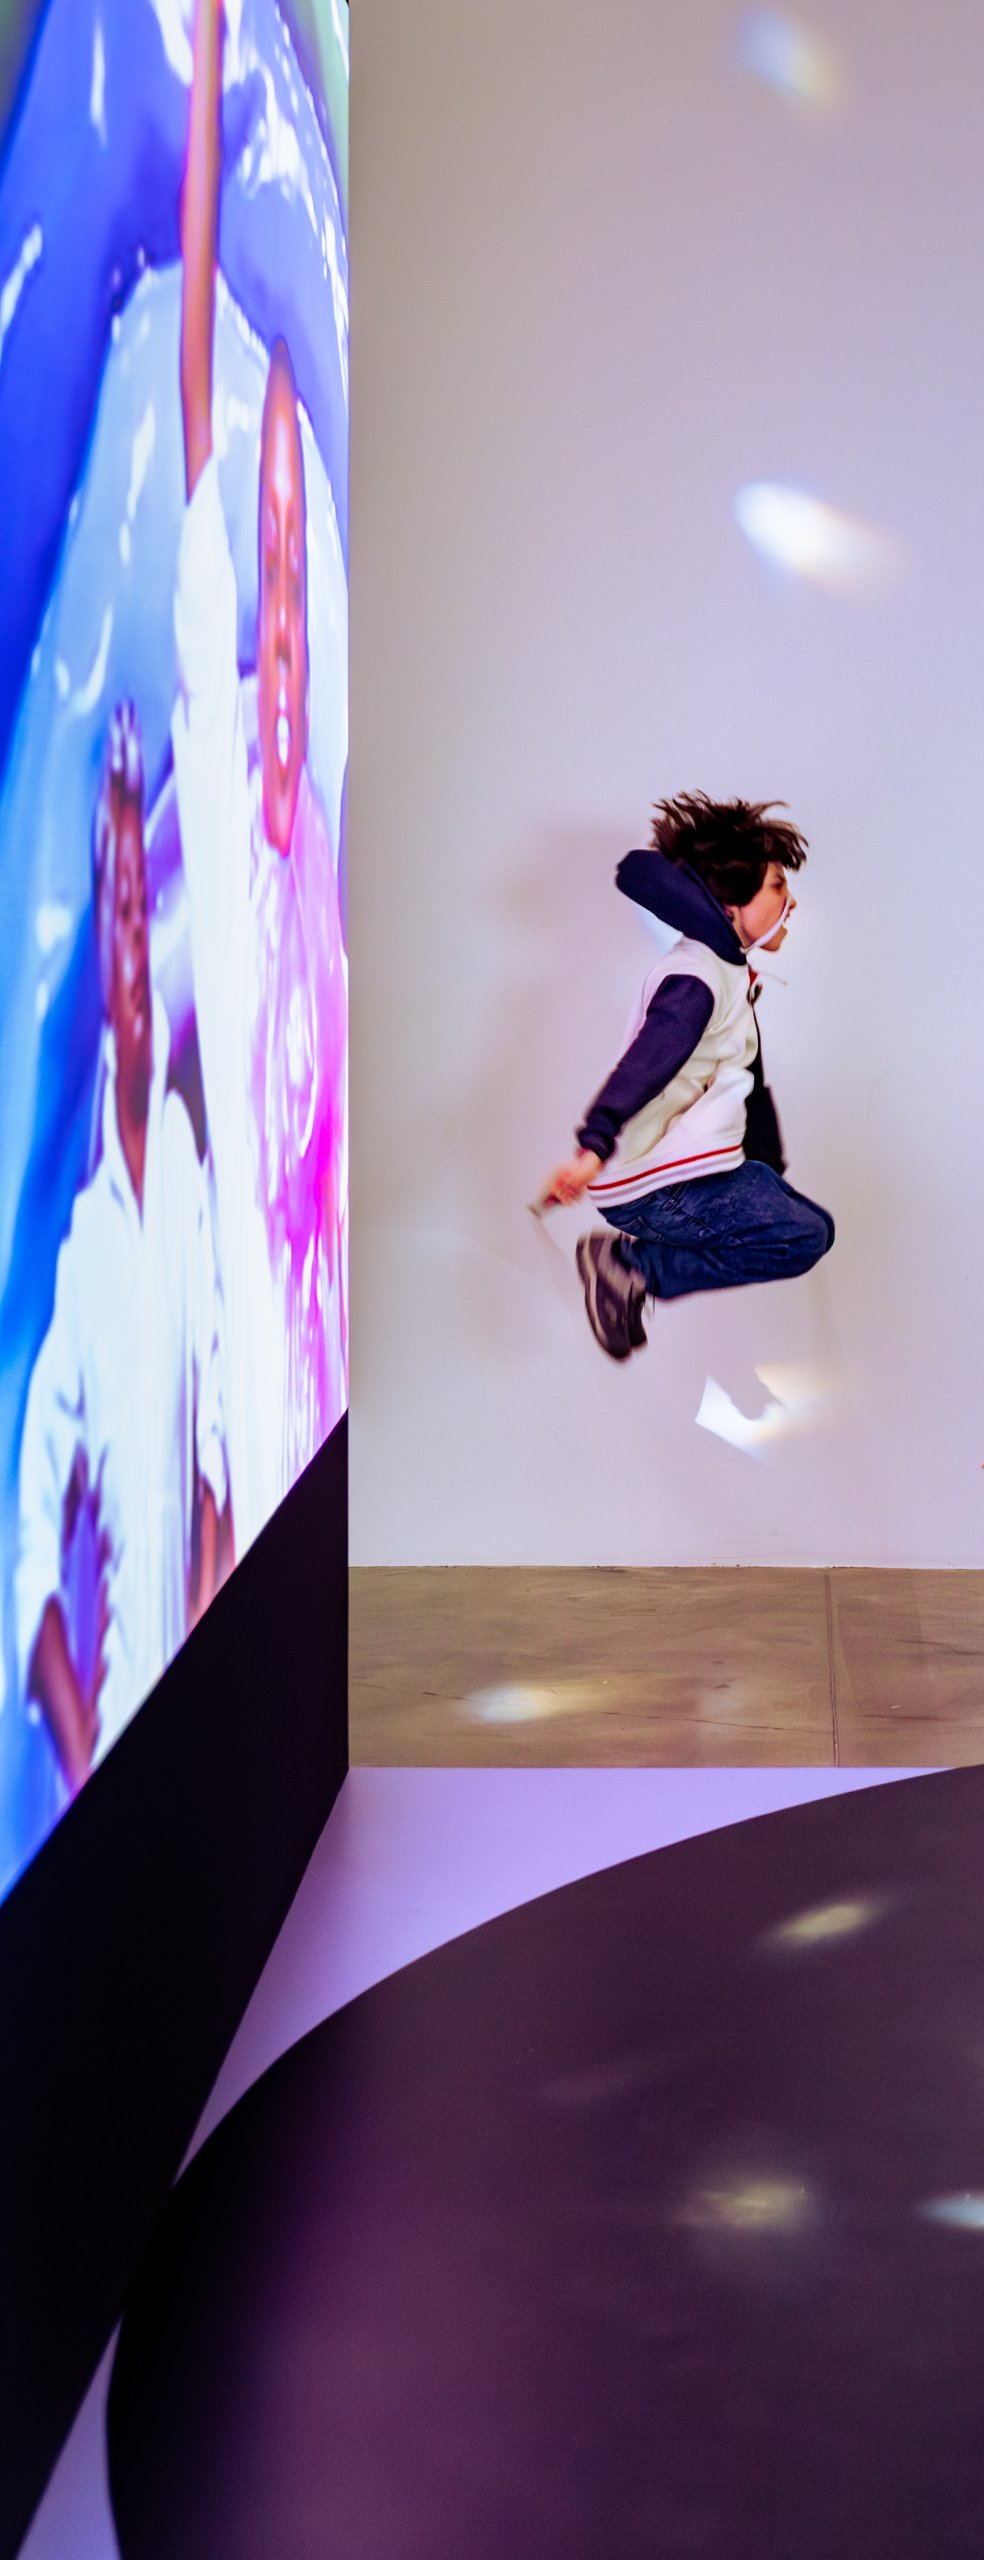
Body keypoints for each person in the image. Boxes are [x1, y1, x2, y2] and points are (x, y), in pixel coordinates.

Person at [172, 0, 347, 1550]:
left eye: (295, 558)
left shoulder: (317, 877)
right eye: (267, 552)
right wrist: (214, 76)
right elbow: (197, 430)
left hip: (293, 1392)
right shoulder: (229, 796)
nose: (280, 601)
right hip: (238, 1403)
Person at [15, 704, 230, 1793]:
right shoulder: (81, 1252)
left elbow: (221, 1453)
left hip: (209, 1699)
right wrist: (85, 1748)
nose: (137, 939)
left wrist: (213, 1624)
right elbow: (30, 1564)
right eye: (121, 909)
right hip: (131, 1733)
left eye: (147, 906)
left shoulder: (193, 1172)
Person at [538, 793, 835, 1360]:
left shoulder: (726, 970)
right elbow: (648, 1061)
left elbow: (750, 1079)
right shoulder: (697, 977)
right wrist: (594, 1146)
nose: (791, 900)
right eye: (777, 886)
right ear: (731, 903)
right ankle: (629, 1267)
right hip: (652, 1184)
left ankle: (633, 1264)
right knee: (803, 1236)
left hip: (681, 1173)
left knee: (807, 1225)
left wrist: (766, 1170)